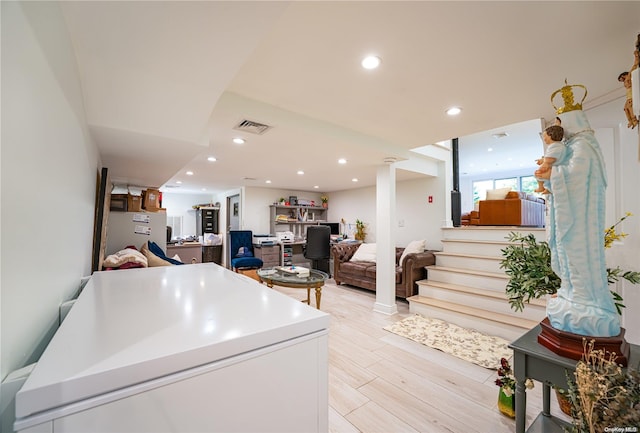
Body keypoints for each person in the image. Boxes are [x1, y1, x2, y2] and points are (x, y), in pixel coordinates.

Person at [545, 83, 620, 338]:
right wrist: (551, 179)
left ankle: (586, 300)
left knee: (579, 256)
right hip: (571, 213)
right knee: (569, 258)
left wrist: (552, 174)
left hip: (581, 218)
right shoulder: (574, 146)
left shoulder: (584, 146)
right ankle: (570, 292)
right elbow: (565, 176)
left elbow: (574, 178)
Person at [534, 125, 565, 194]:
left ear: (551, 136)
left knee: (538, 173)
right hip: (554, 167)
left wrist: (544, 164)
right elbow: (549, 156)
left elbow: (550, 158)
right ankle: (548, 188)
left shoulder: (555, 146)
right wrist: (542, 160)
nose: (544, 139)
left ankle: (541, 187)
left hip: (554, 168)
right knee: (547, 179)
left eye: (545, 137)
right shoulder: (558, 145)